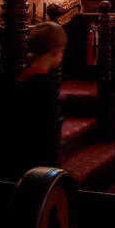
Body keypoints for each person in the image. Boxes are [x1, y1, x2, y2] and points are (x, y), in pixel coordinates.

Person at [11, 21, 68, 175]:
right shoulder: (45, 86)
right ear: (56, 52)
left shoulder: (22, 77)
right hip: (39, 159)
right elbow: (48, 129)